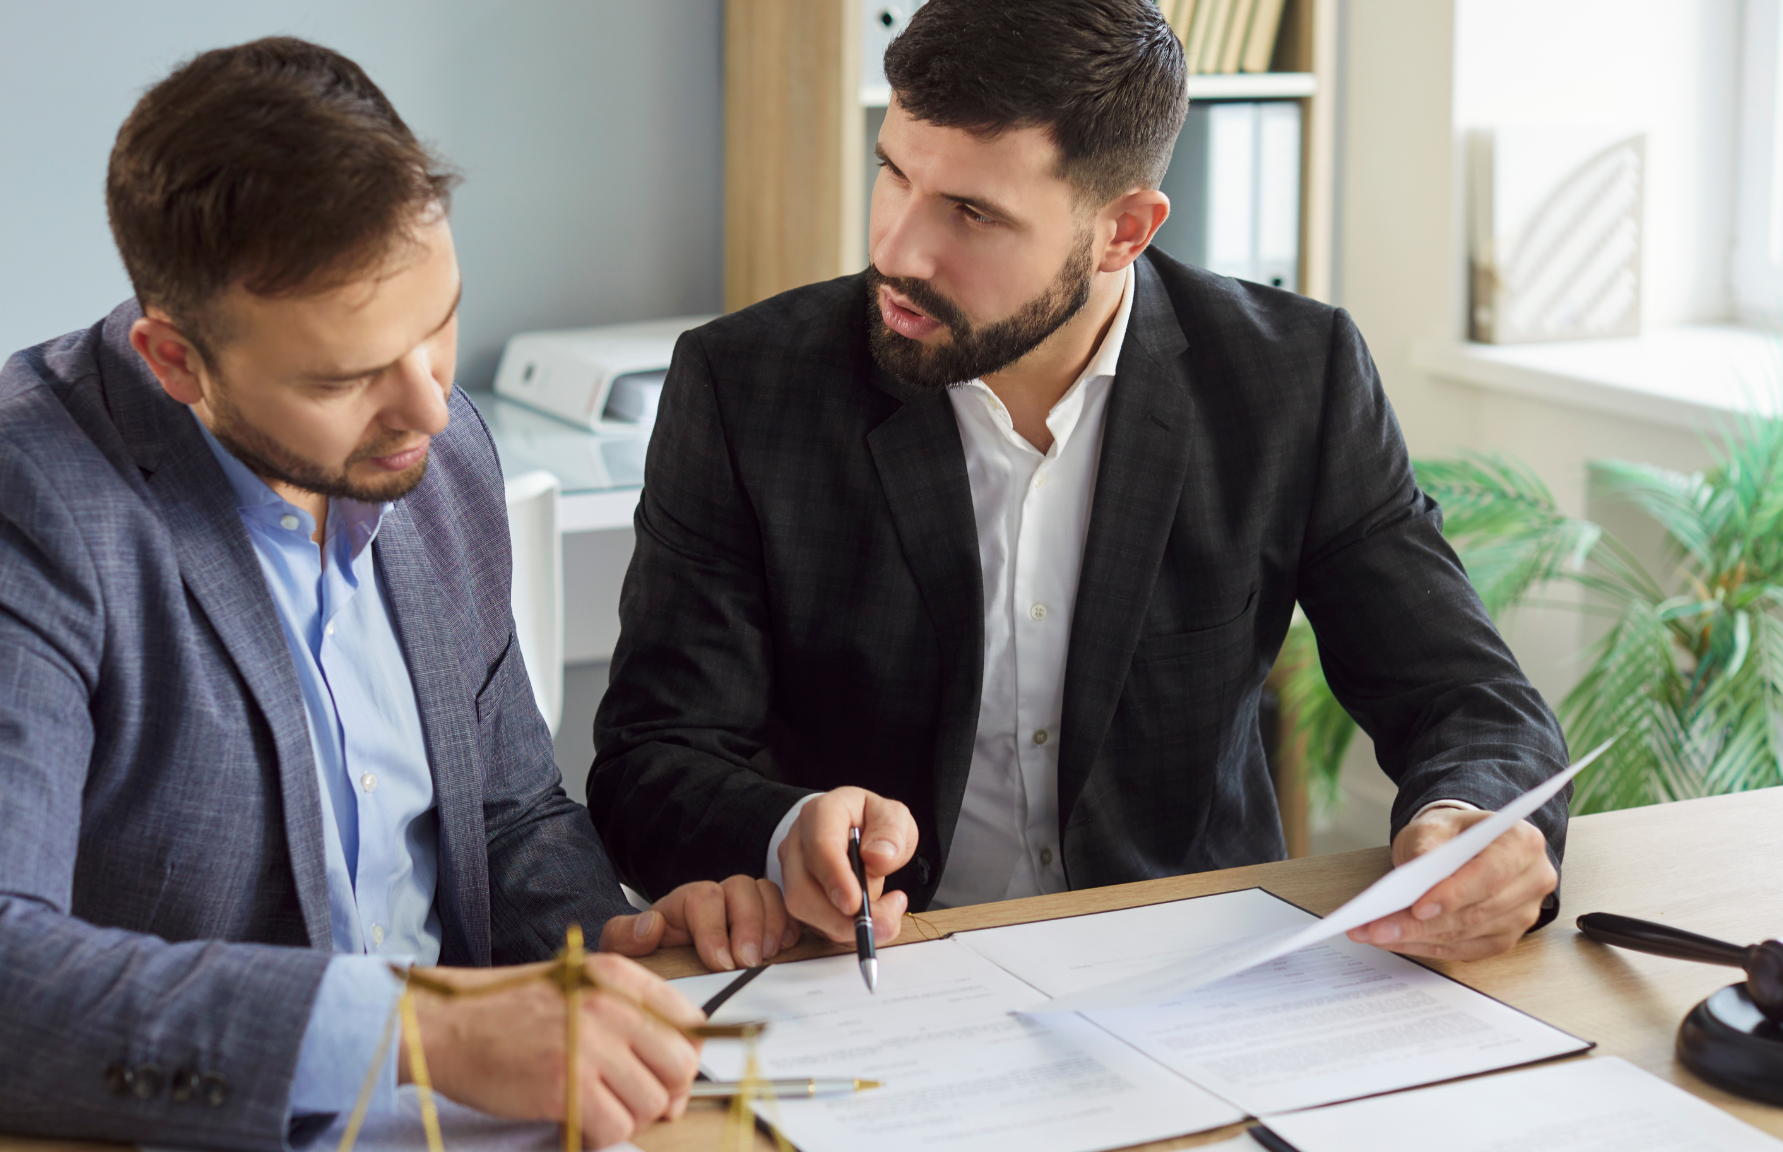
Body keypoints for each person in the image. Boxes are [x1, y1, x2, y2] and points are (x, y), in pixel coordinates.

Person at [0, 37, 795, 1152]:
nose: (431, 409)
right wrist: (425, 1028)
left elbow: (504, 814)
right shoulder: (6, 507)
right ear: (174, 362)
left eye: (440, 320)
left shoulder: (434, 455)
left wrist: (609, 946)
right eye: (345, 377)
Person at [590, 0, 1569, 968]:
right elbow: (650, 760)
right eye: (894, 171)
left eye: (971, 211)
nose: (896, 249)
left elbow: (1466, 693)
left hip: (1191, 975)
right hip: (880, 979)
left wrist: (1471, 823)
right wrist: (785, 828)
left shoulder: (1292, 379)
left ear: (1123, 231)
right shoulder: (746, 385)